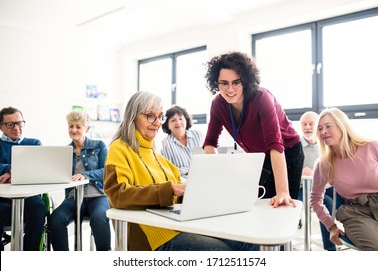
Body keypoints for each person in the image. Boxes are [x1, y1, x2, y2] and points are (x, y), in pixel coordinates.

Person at [104, 91, 259, 251]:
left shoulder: (158, 157)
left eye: (160, 117)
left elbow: (176, 197)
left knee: (249, 240)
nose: (157, 123)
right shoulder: (119, 148)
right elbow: (117, 194)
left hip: (178, 224)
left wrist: (196, 193)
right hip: (154, 236)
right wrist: (169, 189)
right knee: (222, 251)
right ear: (133, 116)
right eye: (150, 116)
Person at [203, 51, 304, 207]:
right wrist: (217, 174)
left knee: (281, 204)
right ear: (216, 83)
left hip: (286, 151)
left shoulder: (262, 98)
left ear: (246, 80)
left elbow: (275, 144)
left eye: (236, 82)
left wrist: (283, 192)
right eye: (224, 83)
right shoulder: (217, 105)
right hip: (259, 156)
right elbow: (210, 143)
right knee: (258, 202)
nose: (230, 89)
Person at [310, 107, 378, 251]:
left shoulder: (372, 146)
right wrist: (331, 226)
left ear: (342, 126)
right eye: (320, 129)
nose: (323, 132)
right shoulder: (324, 164)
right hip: (356, 212)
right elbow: (315, 199)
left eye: (328, 126)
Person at [49, 110, 111, 251]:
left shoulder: (99, 145)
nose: (74, 130)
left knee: (99, 218)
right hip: (74, 197)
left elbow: (106, 171)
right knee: (55, 220)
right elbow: (62, 176)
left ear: (87, 129)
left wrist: (85, 175)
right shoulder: (66, 150)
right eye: (71, 126)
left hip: (98, 195)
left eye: (78, 126)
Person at [0, 106, 47, 251]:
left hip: (28, 195)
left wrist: (13, 171)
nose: (16, 128)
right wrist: (10, 169)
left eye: (20, 123)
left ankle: (28, 256)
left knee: (39, 207)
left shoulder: (34, 143)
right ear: (1, 127)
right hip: (2, 197)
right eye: (10, 124)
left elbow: (39, 166)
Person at [298, 111, 336, 251]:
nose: (307, 127)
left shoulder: (325, 145)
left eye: (311, 124)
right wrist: (298, 171)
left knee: (346, 197)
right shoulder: (296, 146)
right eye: (304, 124)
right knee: (327, 203)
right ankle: (330, 248)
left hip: (325, 186)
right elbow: (286, 170)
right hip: (303, 188)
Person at [161, 105, 203, 179]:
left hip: (203, 176)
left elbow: (206, 159)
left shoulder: (198, 135)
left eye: (180, 119)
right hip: (182, 182)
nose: (178, 122)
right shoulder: (164, 144)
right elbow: (169, 170)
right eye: (173, 120)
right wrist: (189, 171)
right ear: (167, 125)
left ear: (186, 120)